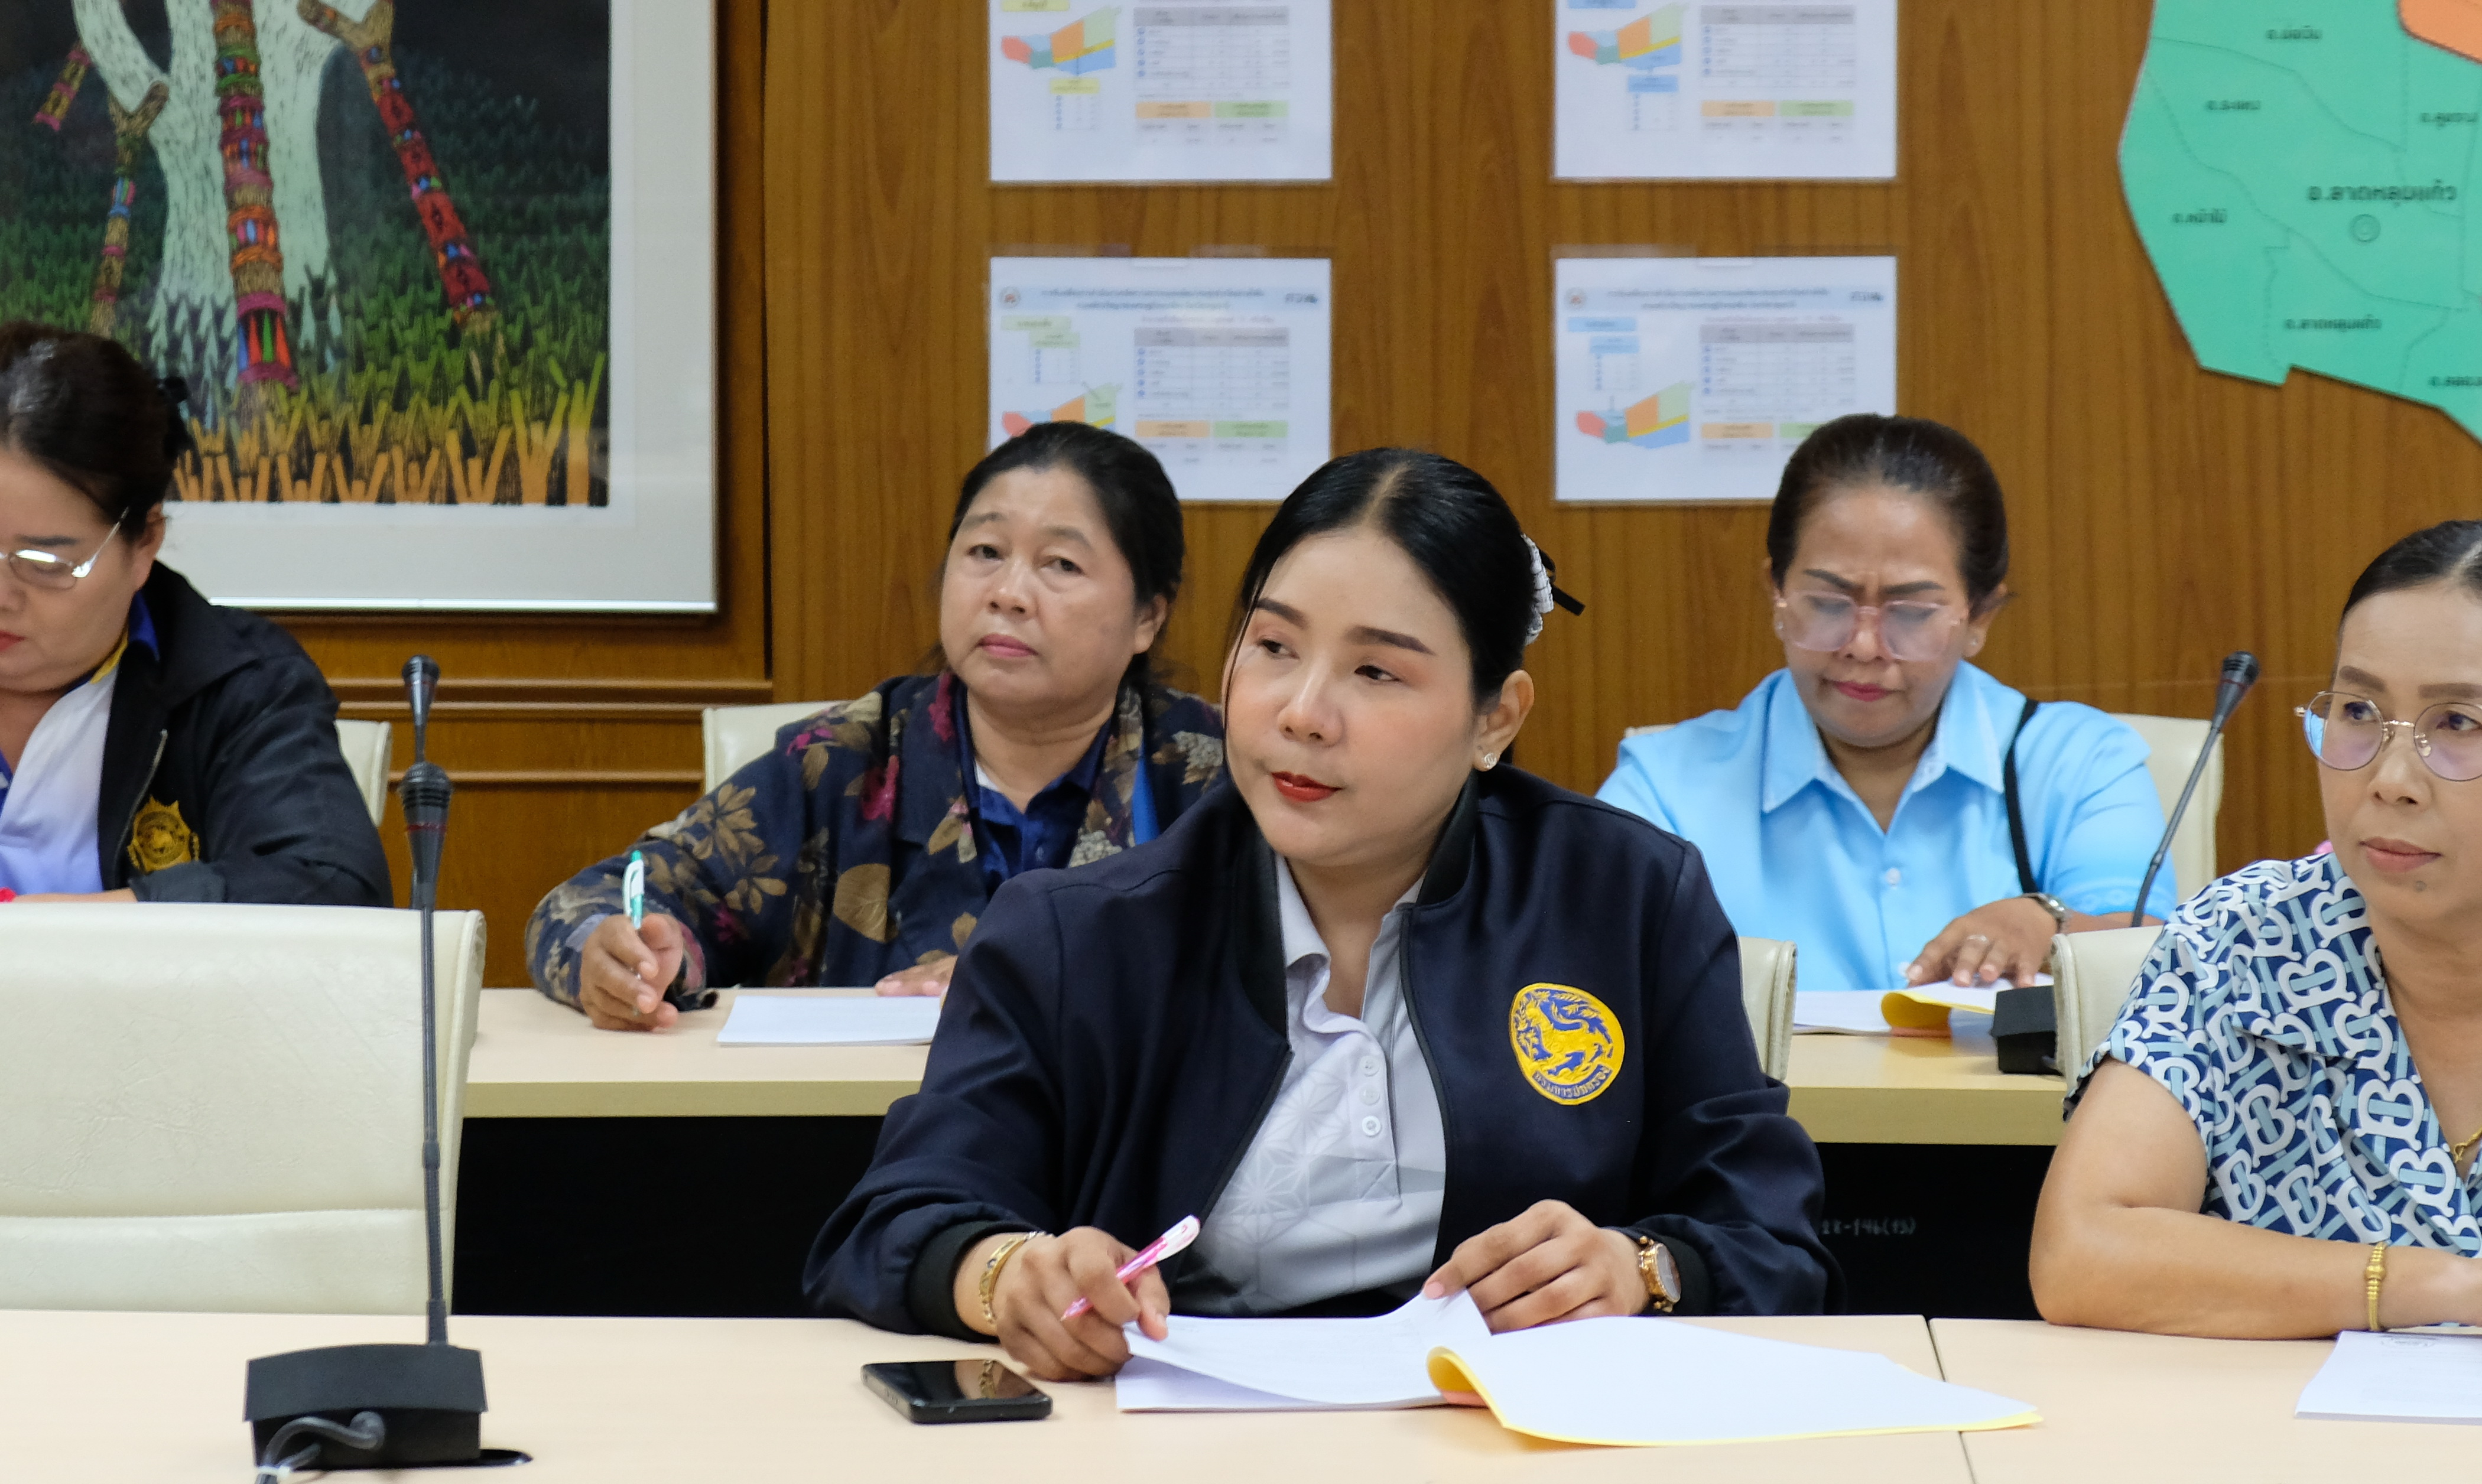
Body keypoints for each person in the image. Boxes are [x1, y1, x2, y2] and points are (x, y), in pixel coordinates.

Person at [807, 448, 1834, 1380]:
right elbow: (889, 1222)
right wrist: (1005, 1272)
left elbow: (1772, 1235)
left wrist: (1638, 1268)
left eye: (1376, 670)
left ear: (1495, 718)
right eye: (1273, 648)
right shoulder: (1075, 937)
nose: (1302, 711)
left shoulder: (1626, 897)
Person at [525, 422, 1224, 1027]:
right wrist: (617, 954)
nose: (1008, 593)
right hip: (867, 1157)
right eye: (985, 552)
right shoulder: (841, 763)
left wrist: (1039, 988)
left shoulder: (1213, 774)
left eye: (1061, 564)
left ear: (1147, 617)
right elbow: (596, 898)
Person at [2032, 521, 2482, 1336]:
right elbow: (2081, 1254)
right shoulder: (2249, 942)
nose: (2389, 779)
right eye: (2359, 711)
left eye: (2459, 724)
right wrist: (2442, 1290)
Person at [1597, 414, 2172, 992]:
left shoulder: (2079, 765)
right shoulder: (1663, 790)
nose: (1865, 646)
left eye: (1912, 612)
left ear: (1980, 616)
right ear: (1776, 592)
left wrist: (2049, 927)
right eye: (1827, 602)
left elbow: (2143, 954)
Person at [0, 323, 388, 904]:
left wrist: (65, 928)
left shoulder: (238, 686)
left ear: (143, 541)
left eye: (44, 563)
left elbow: (330, 882)